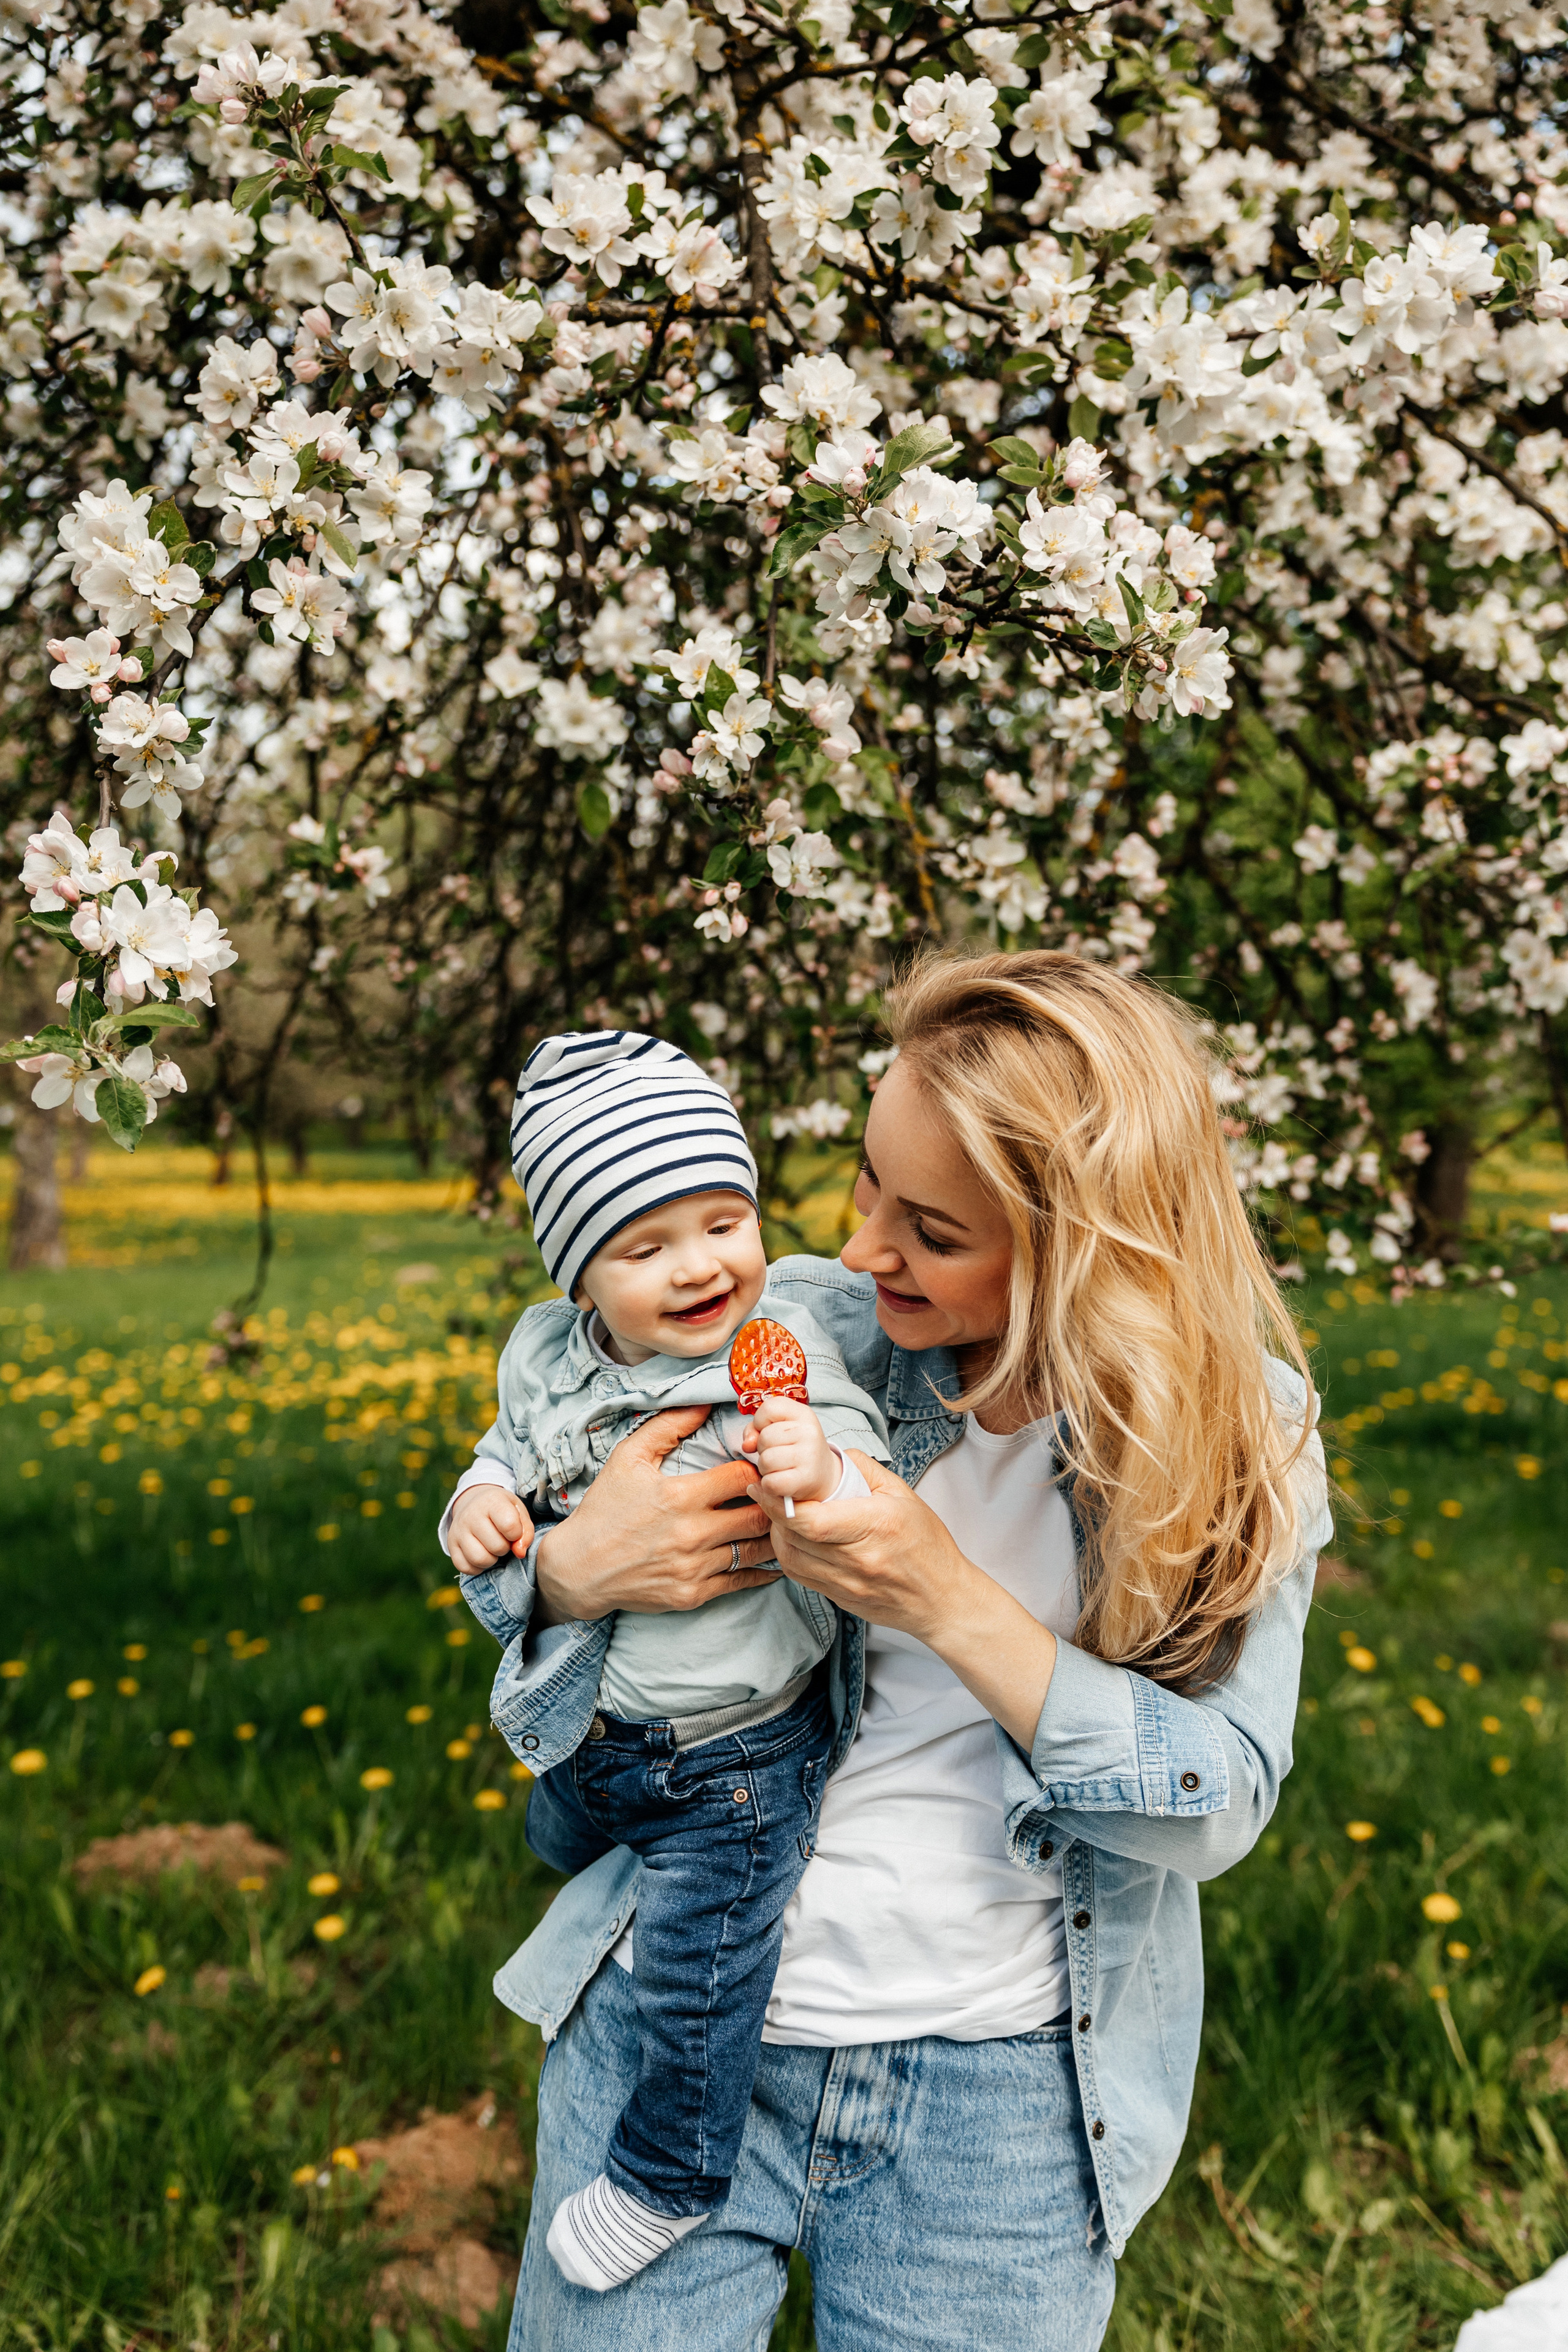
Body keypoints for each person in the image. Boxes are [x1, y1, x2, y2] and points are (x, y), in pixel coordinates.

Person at [444, 952, 1333, 2352]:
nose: (860, 1249)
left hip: (998, 2105)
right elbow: (548, 1498)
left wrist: (945, 1597)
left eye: (929, 1226)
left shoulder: (1234, 1432)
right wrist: (563, 1570)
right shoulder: (797, 1326)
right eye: (866, 1180)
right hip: (676, 2019)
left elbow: (1215, 1804)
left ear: (1078, 1244)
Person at [446, 1028, 891, 2291]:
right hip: (600, 1730)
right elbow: (507, 1450)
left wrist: (816, 1467)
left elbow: (864, 1461)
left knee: (697, 1976)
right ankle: (581, 1826)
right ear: (582, 1278)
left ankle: (669, 2171)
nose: (698, 1267)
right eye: (644, 1248)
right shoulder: (550, 1356)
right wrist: (483, 1509)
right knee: (561, 1834)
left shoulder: (778, 1357)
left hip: (740, 1756)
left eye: (720, 1222)